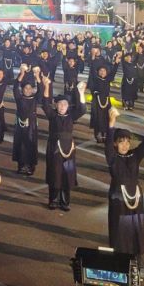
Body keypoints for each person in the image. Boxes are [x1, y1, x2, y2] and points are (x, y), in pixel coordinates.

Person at [105, 108, 144, 263]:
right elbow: (107, 145)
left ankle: (136, 255)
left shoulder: (134, 155)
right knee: (120, 226)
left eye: (127, 141)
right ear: (115, 144)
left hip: (136, 196)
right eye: (121, 142)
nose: (125, 145)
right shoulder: (112, 157)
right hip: (118, 197)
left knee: (135, 225)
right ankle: (121, 257)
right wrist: (111, 123)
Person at [41, 79, 87, 211]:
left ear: (68, 106)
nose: (62, 106)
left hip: (69, 149)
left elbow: (82, 109)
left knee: (68, 173)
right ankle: (53, 200)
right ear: (56, 105)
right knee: (55, 173)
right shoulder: (52, 115)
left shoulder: (71, 116)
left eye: (65, 104)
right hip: (54, 148)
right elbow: (45, 103)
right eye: (60, 104)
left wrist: (81, 92)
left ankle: (65, 201)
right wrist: (46, 85)